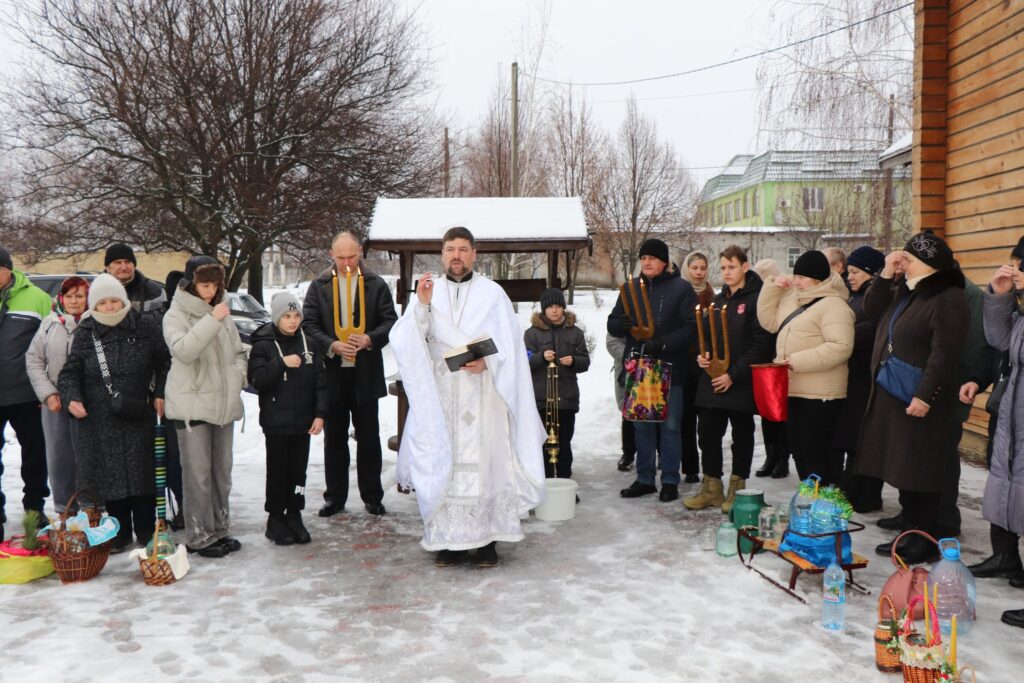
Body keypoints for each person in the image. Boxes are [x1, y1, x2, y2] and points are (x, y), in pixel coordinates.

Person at [390, 227, 546, 567]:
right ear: (442, 254)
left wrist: (488, 362)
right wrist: (422, 307)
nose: (456, 255)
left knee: (487, 464)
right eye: (450, 249)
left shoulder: (493, 294)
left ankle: (488, 540)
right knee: (445, 463)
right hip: (442, 396)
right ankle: (446, 540)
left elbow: (512, 349)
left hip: (484, 393)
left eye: (463, 249)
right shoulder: (426, 292)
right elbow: (407, 341)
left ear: (475, 253)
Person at [856, 233, 969, 564]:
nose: (903, 263)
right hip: (894, 394)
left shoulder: (948, 297)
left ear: (929, 266)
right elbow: (871, 309)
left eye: (910, 260)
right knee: (902, 465)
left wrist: (925, 396)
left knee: (921, 468)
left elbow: (945, 354)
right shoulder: (908, 291)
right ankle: (909, 527)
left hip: (920, 399)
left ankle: (925, 537)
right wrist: (886, 273)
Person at [57, 274, 169, 552]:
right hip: (99, 416)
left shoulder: (144, 325)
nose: (109, 307)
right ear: (94, 304)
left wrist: (160, 393)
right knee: (112, 477)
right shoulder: (86, 332)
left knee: (142, 473)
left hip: (137, 410)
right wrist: (72, 397)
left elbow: (164, 362)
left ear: (124, 300)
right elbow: (70, 372)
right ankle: (119, 532)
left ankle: (146, 529)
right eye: (103, 302)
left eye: (114, 300)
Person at [302, 232, 397, 518]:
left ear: (360, 253)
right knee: (334, 439)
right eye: (340, 257)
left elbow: (390, 320)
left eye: (351, 257)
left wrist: (370, 338)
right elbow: (309, 323)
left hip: (365, 373)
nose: (346, 262)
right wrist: (331, 344)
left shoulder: (375, 285)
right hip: (332, 374)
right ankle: (335, 497)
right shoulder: (319, 287)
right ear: (331, 253)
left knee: (369, 437)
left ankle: (372, 496)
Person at [163, 256, 247, 558]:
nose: (210, 291)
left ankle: (220, 529)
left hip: (223, 403)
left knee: (221, 472)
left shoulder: (221, 312)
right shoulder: (176, 314)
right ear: (191, 284)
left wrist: (238, 373)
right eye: (204, 284)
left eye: (215, 284)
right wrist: (212, 320)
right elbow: (185, 351)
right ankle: (200, 536)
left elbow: (238, 351)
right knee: (197, 474)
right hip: (192, 406)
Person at [607, 238, 698, 503]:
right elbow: (612, 324)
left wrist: (663, 343)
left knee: (670, 428)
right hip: (641, 368)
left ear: (665, 262)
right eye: (643, 257)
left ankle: (670, 480)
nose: (647, 262)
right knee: (642, 427)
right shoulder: (632, 289)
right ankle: (645, 479)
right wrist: (620, 324)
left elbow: (691, 328)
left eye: (653, 258)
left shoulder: (681, 289)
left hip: (671, 367)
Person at [684, 245, 773, 512]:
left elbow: (761, 344)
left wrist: (733, 375)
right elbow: (709, 337)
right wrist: (704, 356)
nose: (726, 272)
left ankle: (738, 488)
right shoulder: (719, 301)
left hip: (740, 381)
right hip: (712, 380)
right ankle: (712, 487)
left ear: (745, 267)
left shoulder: (758, 299)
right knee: (707, 433)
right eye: (722, 268)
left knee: (742, 434)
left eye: (731, 267)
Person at [756, 249, 854, 486]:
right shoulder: (794, 299)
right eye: (795, 275)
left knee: (816, 453)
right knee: (800, 451)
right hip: (794, 389)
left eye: (802, 277)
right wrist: (772, 287)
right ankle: (812, 504)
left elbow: (841, 346)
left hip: (821, 395)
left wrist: (794, 362)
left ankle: (823, 509)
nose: (796, 281)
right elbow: (768, 321)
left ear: (818, 280)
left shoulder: (834, 305)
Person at [969, 237, 1024, 628]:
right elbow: (1000, 341)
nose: (1015, 270)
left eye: (1020, 266)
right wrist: (1001, 297)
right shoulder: (1021, 313)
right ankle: (1006, 555)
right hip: (1014, 412)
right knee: (1006, 481)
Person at [248, 292, 328, 546]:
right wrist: (280, 363)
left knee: (298, 472)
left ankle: (294, 513)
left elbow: (321, 383)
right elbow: (256, 379)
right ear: (276, 317)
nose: (293, 321)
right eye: (287, 316)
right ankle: (275, 517)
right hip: (276, 423)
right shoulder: (263, 343)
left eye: (296, 316)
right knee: (278, 471)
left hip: (303, 421)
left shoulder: (311, 345)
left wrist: (320, 414)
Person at [0, 245, 52, 542]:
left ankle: (35, 507)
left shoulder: (37, 298)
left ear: (8, 268)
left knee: (35, 455)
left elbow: (51, 344)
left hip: (26, 394)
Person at [25, 276, 90, 515]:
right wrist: (48, 394)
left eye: (80, 296)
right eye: (70, 296)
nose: (74, 301)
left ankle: (93, 509)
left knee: (88, 458)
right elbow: (33, 359)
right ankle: (65, 511)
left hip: (89, 402)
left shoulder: (95, 322)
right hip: (56, 403)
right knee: (59, 458)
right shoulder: (50, 323)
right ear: (61, 298)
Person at [831, 246, 886, 512]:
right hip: (852, 375)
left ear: (871, 273)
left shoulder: (875, 298)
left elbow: (873, 330)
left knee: (863, 438)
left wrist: (844, 333)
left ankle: (866, 493)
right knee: (851, 436)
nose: (849, 276)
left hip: (867, 377)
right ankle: (852, 487)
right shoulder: (855, 296)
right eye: (849, 271)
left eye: (855, 272)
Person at [524, 287, 590, 479]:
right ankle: (544, 485)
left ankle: (563, 483)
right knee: (543, 444)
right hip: (541, 400)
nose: (554, 310)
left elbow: (585, 361)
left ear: (563, 308)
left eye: (558, 306)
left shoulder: (575, 332)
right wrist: (540, 357)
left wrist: (575, 361)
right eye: (550, 307)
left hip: (566, 400)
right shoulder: (532, 334)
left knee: (564, 444)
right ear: (543, 309)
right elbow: (524, 362)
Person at [752, 258, 790, 479]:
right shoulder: (757, 298)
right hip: (764, 360)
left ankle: (782, 458)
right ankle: (770, 456)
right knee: (767, 414)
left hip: (782, 360)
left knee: (781, 413)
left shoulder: (785, 297)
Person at [680, 250, 715, 484]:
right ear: (687, 269)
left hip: (707, 366)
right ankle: (690, 466)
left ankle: (711, 470)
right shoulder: (680, 294)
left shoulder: (714, 297)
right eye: (695, 268)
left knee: (708, 422)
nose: (699, 273)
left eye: (703, 268)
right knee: (685, 420)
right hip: (685, 364)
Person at [103, 243, 166, 313]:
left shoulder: (155, 290)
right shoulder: (96, 290)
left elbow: (160, 320)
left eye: (128, 262)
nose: (124, 267)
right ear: (108, 267)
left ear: (134, 265)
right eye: (118, 262)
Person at [606, 333, 636, 472]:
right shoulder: (621, 312)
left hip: (655, 365)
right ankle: (628, 453)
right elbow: (612, 342)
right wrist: (632, 355)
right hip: (627, 368)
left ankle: (661, 453)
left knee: (656, 409)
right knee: (629, 411)